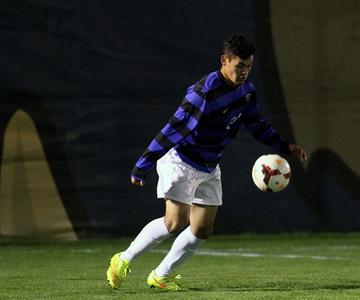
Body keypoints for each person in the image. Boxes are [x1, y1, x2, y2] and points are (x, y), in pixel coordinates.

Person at [106, 33, 307, 290]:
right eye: (240, 66)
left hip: (209, 166)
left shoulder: (246, 91)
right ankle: (123, 258)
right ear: (225, 60)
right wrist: (143, 165)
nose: (245, 72)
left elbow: (256, 124)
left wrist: (285, 147)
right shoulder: (202, 94)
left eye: (249, 66)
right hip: (181, 161)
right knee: (174, 222)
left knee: (202, 229)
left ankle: (160, 275)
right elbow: (172, 129)